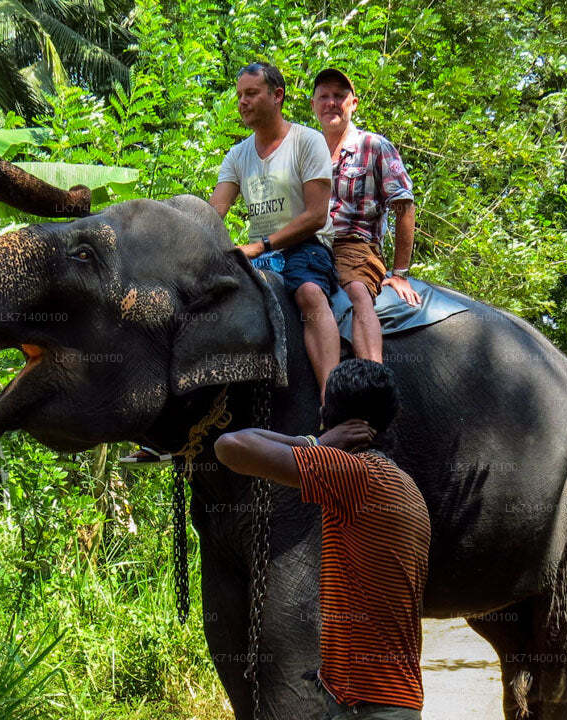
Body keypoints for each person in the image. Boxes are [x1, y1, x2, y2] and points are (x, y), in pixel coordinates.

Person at [214, 359, 430, 720]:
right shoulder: (403, 485)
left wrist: (314, 441)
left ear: (331, 416)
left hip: (369, 708)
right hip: (388, 699)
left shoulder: (355, 476)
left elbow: (230, 446)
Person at [209, 62, 341, 401]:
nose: (242, 102)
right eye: (239, 95)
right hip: (260, 255)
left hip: (307, 247)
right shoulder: (237, 155)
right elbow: (212, 215)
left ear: (277, 95)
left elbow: (315, 215)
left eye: (251, 93)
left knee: (310, 294)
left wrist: (260, 245)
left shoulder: (307, 142)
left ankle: (334, 401)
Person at [311, 68, 420, 364]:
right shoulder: (307, 151)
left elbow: (404, 207)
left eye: (339, 96)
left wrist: (399, 274)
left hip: (356, 247)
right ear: (313, 105)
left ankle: (373, 375)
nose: (331, 103)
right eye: (324, 96)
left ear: (354, 103)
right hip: (308, 246)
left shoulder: (374, 146)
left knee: (357, 293)